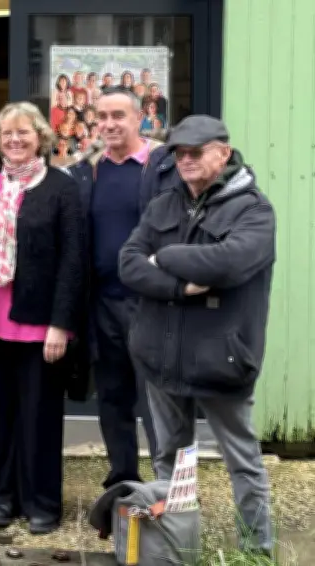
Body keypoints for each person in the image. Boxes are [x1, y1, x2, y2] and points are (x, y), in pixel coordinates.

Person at [119, 115, 275, 556]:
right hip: (160, 355)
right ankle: (175, 545)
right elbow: (128, 263)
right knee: (170, 458)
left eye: (196, 151)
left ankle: (256, 551)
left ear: (223, 153)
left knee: (241, 461)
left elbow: (228, 263)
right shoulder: (163, 204)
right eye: (179, 153)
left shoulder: (254, 210)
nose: (185, 160)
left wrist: (164, 255)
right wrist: (179, 285)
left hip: (221, 359)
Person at [0, 102, 85, 534]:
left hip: (39, 325)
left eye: (24, 133)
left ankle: (43, 502)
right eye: (6, 134)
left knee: (39, 417)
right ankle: (5, 496)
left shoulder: (61, 188)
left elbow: (74, 260)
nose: (14, 141)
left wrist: (61, 324)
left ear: (41, 138)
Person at [67, 86, 179, 489]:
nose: (110, 124)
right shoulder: (89, 170)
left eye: (119, 115)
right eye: (102, 117)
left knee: (158, 399)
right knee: (113, 396)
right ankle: (123, 476)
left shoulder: (162, 165)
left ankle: (168, 485)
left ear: (139, 119)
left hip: (151, 304)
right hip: (103, 304)